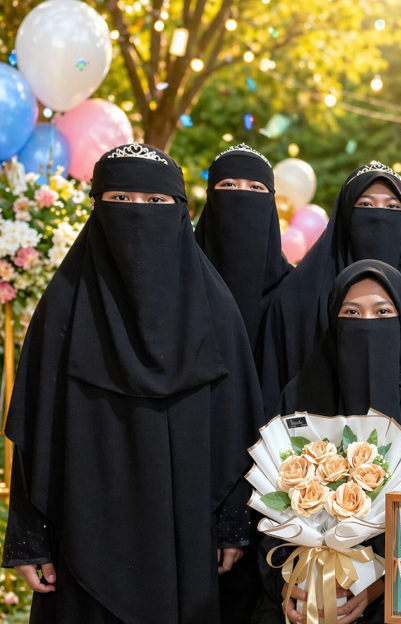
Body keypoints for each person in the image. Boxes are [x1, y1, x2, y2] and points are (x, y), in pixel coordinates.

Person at [1, 143, 263, 623]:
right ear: (96, 207)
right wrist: (30, 538)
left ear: (180, 211)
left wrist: (232, 524)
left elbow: (236, 425)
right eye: (121, 199)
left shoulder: (214, 311)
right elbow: (35, 435)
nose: (138, 213)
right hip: (79, 542)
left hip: (185, 540)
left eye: (156, 201)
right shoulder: (64, 308)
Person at [255, 260, 401, 624]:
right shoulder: (299, 397)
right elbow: (272, 510)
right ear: (332, 322)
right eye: (351, 313)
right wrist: (290, 583)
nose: (366, 324)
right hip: (309, 594)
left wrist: (376, 587)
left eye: (383, 312)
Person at [258, 161, 401, 416]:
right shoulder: (296, 299)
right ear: (345, 215)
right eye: (365, 204)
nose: (378, 216)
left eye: (392, 206)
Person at [194, 143, 291, 353]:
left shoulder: (292, 290)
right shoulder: (183, 278)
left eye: (256, 187)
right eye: (228, 185)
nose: (241, 194)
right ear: (211, 197)